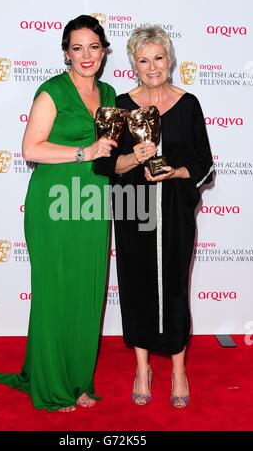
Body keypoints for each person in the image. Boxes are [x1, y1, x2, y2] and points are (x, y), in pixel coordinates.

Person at [0, 14, 117, 412]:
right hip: (54, 202)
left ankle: (78, 381)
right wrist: (83, 152)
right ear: (66, 53)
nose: (86, 55)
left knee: (87, 294)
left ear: (104, 50)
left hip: (93, 201)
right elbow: (31, 149)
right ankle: (52, 386)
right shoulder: (52, 91)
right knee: (56, 294)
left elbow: (111, 153)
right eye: (77, 48)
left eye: (94, 46)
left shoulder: (109, 93)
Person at [95, 25, 214, 408]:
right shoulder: (122, 105)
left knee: (176, 287)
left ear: (170, 59)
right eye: (143, 60)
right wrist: (135, 159)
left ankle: (179, 370)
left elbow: (204, 163)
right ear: (133, 63)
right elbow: (105, 163)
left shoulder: (189, 103)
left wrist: (177, 172)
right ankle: (142, 367)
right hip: (134, 209)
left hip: (177, 210)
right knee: (136, 284)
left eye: (158, 58)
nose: (152, 67)